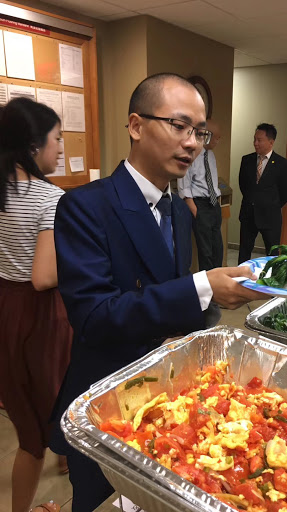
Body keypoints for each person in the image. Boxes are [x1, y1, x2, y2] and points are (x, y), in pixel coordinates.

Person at [50, 73, 266, 511]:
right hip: (108, 397)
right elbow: (95, 316)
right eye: (179, 125)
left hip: (168, 396)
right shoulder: (85, 206)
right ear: (135, 125)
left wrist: (214, 304)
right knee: (99, 499)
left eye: (200, 132)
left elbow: (172, 301)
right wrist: (203, 286)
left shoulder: (176, 210)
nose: (192, 143)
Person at [0, 98, 72, 512]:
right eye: (56, 138)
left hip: (5, 308)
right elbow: (44, 277)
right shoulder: (49, 198)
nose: (60, 147)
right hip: (40, 315)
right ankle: (66, 459)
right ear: (33, 145)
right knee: (62, 403)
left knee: (28, 421)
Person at [238, 123, 287, 263]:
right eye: (254, 139)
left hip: (270, 216)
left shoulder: (283, 164)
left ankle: (270, 281)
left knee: (272, 254)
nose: (255, 143)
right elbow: (243, 185)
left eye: (259, 140)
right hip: (248, 214)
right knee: (244, 251)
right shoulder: (246, 160)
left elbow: (285, 192)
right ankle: (240, 280)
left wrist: (269, 204)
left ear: (271, 142)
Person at [177, 119, 223, 270]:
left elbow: (213, 182)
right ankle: (209, 287)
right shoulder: (191, 154)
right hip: (200, 205)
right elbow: (184, 186)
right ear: (207, 135)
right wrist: (196, 211)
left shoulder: (211, 155)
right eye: (216, 137)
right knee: (205, 251)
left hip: (214, 205)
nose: (218, 140)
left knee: (217, 247)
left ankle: (219, 281)